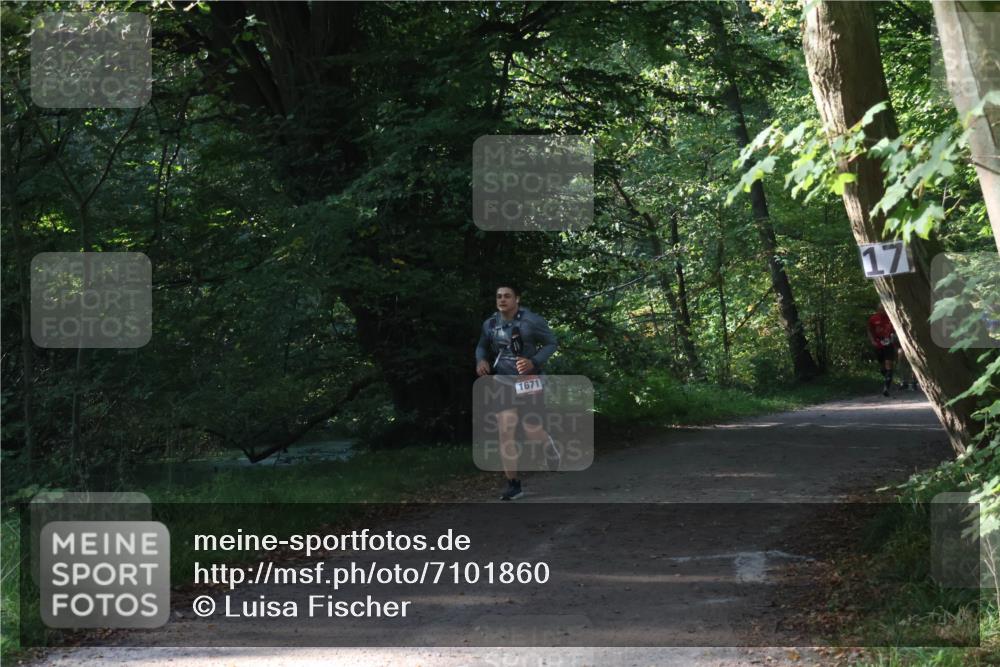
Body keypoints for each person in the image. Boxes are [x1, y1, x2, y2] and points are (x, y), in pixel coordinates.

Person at [475, 284, 559, 500]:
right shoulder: (490, 324)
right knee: (505, 431)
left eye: (507, 296)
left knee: (531, 430)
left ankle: (548, 445)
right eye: (499, 296)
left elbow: (551, 343)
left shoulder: (532, 320)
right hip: (503, 381)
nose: (502, 300)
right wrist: (481, 360)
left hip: (529, 380)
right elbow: (482, 346)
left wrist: (534, 361)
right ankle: (514, 485)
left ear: (517, 299)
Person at [867, 303, 900, 397]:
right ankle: (888, 379)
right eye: (881, 310)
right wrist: (872, 340)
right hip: (878, 344)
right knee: (882, 367)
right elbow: (869, 330)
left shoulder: (891, 317)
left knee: (888, 364)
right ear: (878, 310)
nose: (883, 312)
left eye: (884, 310)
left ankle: (886, 388)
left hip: (889, 344)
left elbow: (896, 329)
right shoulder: (873, 319)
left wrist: (895, 339)